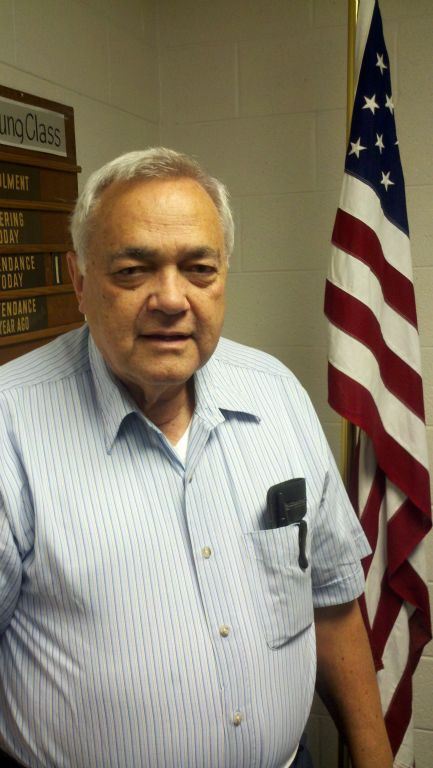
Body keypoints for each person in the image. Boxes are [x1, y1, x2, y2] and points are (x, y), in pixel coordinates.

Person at [0, 148, 392, 768]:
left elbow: (333, 601)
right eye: (133, 270)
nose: (171, 298)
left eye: (199, 269)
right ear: (78, 279)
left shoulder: (276, 393)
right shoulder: (11, 426)